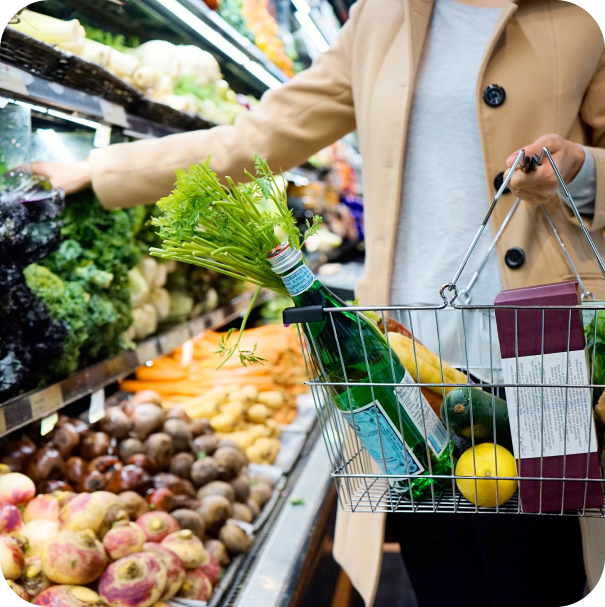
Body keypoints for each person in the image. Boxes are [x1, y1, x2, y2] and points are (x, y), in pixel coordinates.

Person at [33, 0, 605, 604]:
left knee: (544, 573)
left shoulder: (576, 17)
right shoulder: (382, 19)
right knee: (444, 574)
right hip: (399, 357)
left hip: (544, 349)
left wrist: (582, 170)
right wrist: (101, 169)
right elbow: (258, 138)